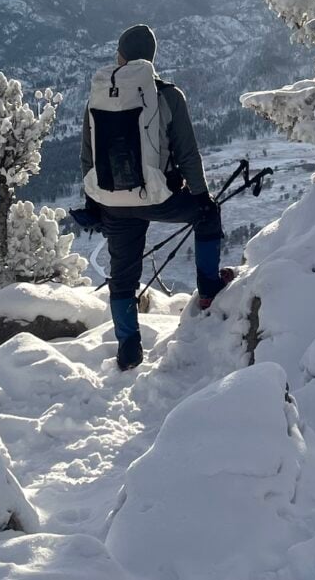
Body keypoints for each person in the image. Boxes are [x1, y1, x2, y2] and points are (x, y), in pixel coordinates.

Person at [80, 24, 232, 371]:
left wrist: (94, 202)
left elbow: (87, 156)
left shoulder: (100, 95)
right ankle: (209, 288)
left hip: (110, 202)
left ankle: (129, 349)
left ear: (120, 55)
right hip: (156, 198)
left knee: (122, 276)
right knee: (207, 216)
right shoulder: (167, 96)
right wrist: (202, 197)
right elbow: (188, 155)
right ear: (151, 57)